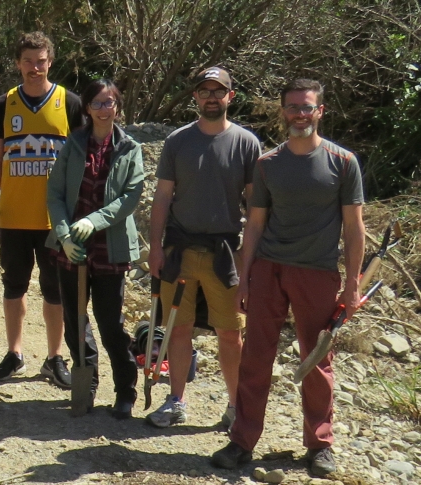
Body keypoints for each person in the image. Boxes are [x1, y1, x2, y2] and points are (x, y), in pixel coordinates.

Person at [212, 79, 364, 476]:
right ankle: (242, 441)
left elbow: (354, 228)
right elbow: (256, 225)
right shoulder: (267, 164)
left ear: (320, 111)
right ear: (283, 112)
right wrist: (244, 279)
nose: (300, 113)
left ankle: (319, 446)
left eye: (307, 106)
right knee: (255, 358)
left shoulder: (342, 163)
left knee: (316, 360)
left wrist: (352, 283)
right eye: (293, 107)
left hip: (317, 273)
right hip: (268, 269)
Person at [146, 66, 261, 428]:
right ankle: (176, 400)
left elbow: (256, 207)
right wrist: (154, 247)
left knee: (230, 333)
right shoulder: (177, 141)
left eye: (218, 91)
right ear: (195, 96)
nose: (211, 97)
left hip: (225, 253)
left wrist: (249, 259)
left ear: (231, 96)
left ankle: (236, 408)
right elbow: (162, 197)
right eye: (204, 91)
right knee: (178, 330)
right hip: (178, 249)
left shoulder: (247, 143)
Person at [0, 31, 83, 389]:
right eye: (27, 61)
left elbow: (81, 159)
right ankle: (14, 354)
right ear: (17, 63)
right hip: (13, 214)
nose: (34, 67)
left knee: (55, 289)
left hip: (55, 219)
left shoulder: (69, 103)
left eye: (40, 60)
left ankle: (54, 357)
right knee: (14, 286)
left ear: (50, 61)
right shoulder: (4, 104)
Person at [46, 79, 144, 418]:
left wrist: (96, 221)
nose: (105, 109)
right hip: (72, 246)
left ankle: (124, 390)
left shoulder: (129, 147)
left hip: (110, 246)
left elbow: (130, 197)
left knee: (109, 322)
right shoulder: (72, 144)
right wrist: (64, 235)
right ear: (87, 107)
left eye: (110, 102)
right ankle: (85, 385)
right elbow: (55, 194)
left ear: (118, 106)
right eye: (98, 103)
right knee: (75, 320)